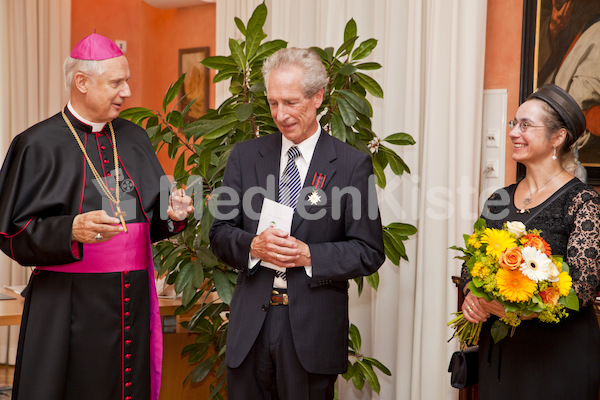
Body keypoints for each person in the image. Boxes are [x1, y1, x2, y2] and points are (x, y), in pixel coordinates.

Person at [0, 33, 194, 400]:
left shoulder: (133, 138)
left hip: (130, 304)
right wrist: (69, 230)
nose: (127, 93)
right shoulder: (37, 144)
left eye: (127, 81)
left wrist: (172, 215)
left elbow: (147, 219)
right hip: (67, 306)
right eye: (117, 83)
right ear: (82, 82)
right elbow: (11, 232)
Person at [209, 47, 385, 399]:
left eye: (290, 102)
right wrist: (253, 246)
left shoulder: (351, 165)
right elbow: (219, 233)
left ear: (318, 96)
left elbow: (368, 251)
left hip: (311, 332)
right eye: (274, 103)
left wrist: (309, 255)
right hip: (251, 329)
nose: (280, 114)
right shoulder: (246, 157)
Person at [461, 84, 600, 399]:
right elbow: (471, 264)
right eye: (513, 123)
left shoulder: (582, 201)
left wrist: (518, 311)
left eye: (525, 125)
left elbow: (584, 286)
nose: (513, 132)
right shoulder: (499, 199)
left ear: (557, 137)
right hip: (501, 354)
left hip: (558, 356)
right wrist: (473, 297)